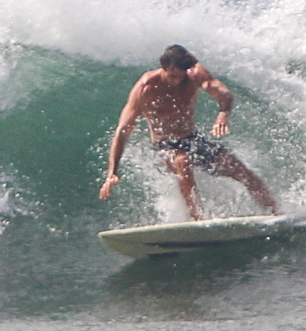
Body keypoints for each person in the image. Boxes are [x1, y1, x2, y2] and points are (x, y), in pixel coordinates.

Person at [100, 45, 279, 221]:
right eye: (172, 76)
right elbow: (122, 131)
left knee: (244, 173)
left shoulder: (194, 75)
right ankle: (197, 219)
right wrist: (112, 173)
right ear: (163, 67)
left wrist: (223, 114)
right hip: (165, 146)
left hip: (193, 139)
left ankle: (276, 214)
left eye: (181, 76)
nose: (177, 81)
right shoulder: (146, 88)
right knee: (182, 160)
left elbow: (224, 93)